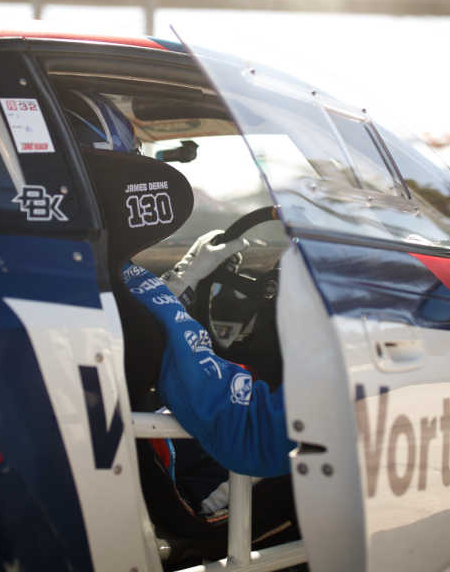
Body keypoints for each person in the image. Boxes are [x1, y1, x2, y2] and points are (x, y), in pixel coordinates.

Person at [62, 90, 294, 490]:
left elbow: (137, 315)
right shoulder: (115, 279)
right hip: (135, 480)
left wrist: (183, 281)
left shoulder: (38, 261)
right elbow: (262, 435)